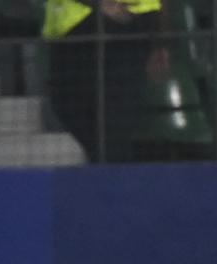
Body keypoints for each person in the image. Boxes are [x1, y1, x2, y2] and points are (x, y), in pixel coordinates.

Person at [43, 0, 169, 162]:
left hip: (108, 20)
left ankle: (112, 174)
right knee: (76, 106)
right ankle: (109, 170)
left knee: (110, 116)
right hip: (86, 23)